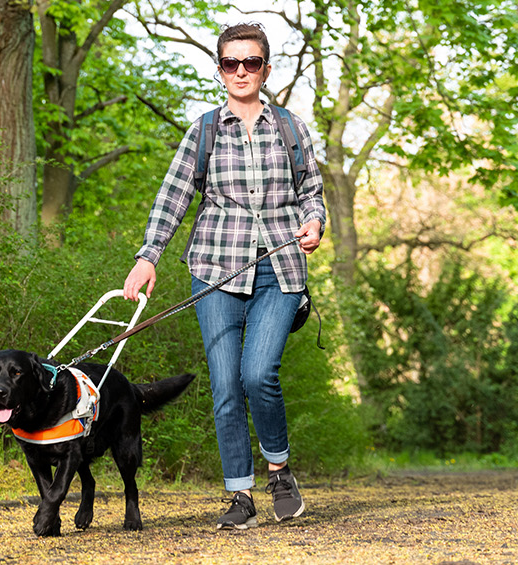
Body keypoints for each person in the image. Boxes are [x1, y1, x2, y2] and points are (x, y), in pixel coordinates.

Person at [121, 23, 325, 530]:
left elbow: (312, 192)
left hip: (279, 271)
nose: (240, 72)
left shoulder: (292, 129)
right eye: (231, 63)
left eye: (250, 63)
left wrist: (314, 221)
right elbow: (173, 197)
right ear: (219, 69)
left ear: (265, 70)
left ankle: (279, 471)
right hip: (214, 271)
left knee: (258, 374)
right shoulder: (205, 130)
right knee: (226, 385)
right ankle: (240, 494)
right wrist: (149, 257)